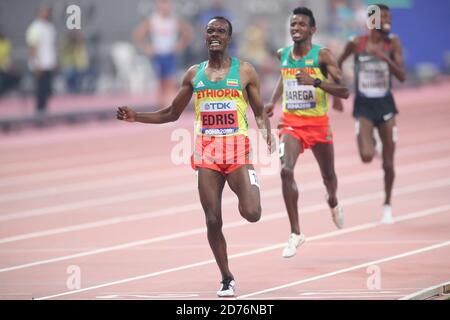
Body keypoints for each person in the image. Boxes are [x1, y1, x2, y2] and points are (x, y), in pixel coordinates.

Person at [117, 17, 273, 297]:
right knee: (213, 219)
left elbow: (260, 110)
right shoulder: (193, 74)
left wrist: (267, 134)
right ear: (205, 37)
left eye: (221, 31)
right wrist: (136, 116)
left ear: (229, 37)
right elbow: (171, 113)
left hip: (236, 151)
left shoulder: (245, 71)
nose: (215, 35)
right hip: (207, 154)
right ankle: (226, 277)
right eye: (210, 31)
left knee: (252, 213)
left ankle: (249, 184)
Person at [265, 7, 349, 258]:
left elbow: (344, 90)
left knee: (329, 177)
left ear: (312, 29)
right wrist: (273, 101)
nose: (296, 28)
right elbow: (284, 77)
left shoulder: (322, 56)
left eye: (301, 25)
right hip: (291, 124)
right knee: (285, 170)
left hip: (319, 125)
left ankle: (333, 201)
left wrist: (316, 82)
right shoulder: (283, 54)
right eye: (293, 25)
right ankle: (296, 233)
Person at [333, 4, 405, 224]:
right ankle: (371, 139)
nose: (388, 21)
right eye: (384, 17)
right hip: (363, 105)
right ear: (372, 21)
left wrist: (384, 57)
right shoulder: (357, 43)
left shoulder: (392, 43)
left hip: (385, 104)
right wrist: (336, 93)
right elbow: (336, 63)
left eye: (389, 17)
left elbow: (402, 76)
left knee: (389, 163)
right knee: (366, 156)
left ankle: (387, 205)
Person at [133, 0, 192, 107]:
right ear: (158, 5)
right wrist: (147, 47)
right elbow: (138, 34)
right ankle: (161, 107)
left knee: (170, 82)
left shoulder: (174, 19)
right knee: (160, 83)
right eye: (162, 4)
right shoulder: (153, 19)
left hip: (169, 54)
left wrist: (180, 45)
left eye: (166, 4)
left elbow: (188, 33)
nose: (164, 7)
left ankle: (169, 107)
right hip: (158, 54)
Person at [25, 4, 57, 116]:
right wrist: (36, 64)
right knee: (40, 91)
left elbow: (52, 46)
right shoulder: (34, 28)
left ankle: (44, 111)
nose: (47, 13)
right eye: (44, 11)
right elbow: (32, 47)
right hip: (39, 65)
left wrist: (54, 62)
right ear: (39, 12)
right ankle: (39, 112)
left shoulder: (50, 27)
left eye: (48, 11)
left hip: (48, 63)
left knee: (48, 90)